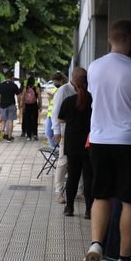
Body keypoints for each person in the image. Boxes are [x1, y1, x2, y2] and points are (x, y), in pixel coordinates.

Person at [83, 20, 131, 261]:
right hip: (128, 140)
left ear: (109, 40)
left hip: (99, 140)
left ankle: (96, 243)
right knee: (128, 200)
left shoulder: (94, 67)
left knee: (102, 195)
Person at [58, 67, 93, 218]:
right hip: (89, 143)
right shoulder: (92, 99)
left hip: (72, 143)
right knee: (88, 177)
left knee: (72, 175)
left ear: (74, 80)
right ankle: (89, 210)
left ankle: (69, 207)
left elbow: (61, 119)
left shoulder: (68, 101)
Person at [51, 72, 77, 204]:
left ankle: (80, 191)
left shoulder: (84, 90)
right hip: (65, 132)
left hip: (80, 132)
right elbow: (55, 112)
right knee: (63, 160)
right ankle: (59, 192)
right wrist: (56, 131)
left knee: (80, 162)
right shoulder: (63, 90)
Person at [0, 71, 20, 142]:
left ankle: (1, 136)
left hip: (3, 105)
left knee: (3, 120)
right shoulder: (14, 85)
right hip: (11, 105)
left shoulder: (1, 85)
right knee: (10, 121)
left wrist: (1, 101)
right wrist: (18, 103)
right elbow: (18, 96)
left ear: (6, 77)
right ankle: (9, 137)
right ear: (12, 77)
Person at [45, 72, 66, 147]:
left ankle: (56, 150)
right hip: (50, 115)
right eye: (53, 81)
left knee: (57, 134)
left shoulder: (63, 89)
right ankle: (54, 150)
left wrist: (53, 96)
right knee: (48, 133)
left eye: (56, 81)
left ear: (61, 81)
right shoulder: (54, 89)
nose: (54, 83)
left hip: (58, 115)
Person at [19, 71, 40, 140]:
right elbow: (39, 97)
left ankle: (28, 136)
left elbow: (22, 96)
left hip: (27, 105)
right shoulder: (37, 86)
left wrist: (21, 104)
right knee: (35, 119)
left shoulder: (25, 86)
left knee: (27, 119)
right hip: (34, 104)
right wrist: (40, 105)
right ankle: (35, 134)